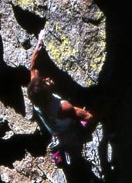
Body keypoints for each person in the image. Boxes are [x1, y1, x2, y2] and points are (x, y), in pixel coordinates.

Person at [27, 38, 95, 166]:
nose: (48, 79)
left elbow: (33, 67)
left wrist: (39, 44)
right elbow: (88, 116)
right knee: (75, 148)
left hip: (53, 128)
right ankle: (71, 158)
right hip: (67, 130)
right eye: (46, 83)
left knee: (58, 133)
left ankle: (56, 148)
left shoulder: (36, 96)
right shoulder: (62, 108)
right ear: (47, 94)